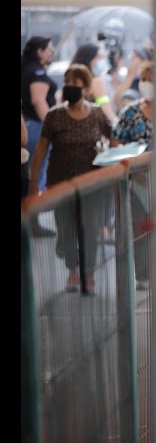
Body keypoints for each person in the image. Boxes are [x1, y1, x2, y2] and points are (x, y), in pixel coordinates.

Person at [27, 63, 113, 292]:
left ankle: (87, 274)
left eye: (75, 83)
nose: (69, 87)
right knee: (65, 231)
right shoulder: (55, 116)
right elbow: (41, 151)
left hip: (90, 184)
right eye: (67, 83)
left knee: (89, 229)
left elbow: (113, 139)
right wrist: (34, 184)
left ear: (86, 88)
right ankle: (72, 268)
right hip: (60, 184)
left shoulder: (96, 114)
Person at [21, 36, 58, 236]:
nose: (52, 52)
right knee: (34, 176)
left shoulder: (28, 69)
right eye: (49, 49)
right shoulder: (36, 72)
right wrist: (53, 125)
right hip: (36, 126)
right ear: (39, 52)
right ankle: (31, 222)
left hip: (30, 125)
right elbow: (38, 100)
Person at [71, 43, 119, 124]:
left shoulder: (71, 79)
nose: (101, 60)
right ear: (89, 58)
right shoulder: (95, 82)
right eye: (98, 57)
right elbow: (104, 106)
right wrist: (117, 123)